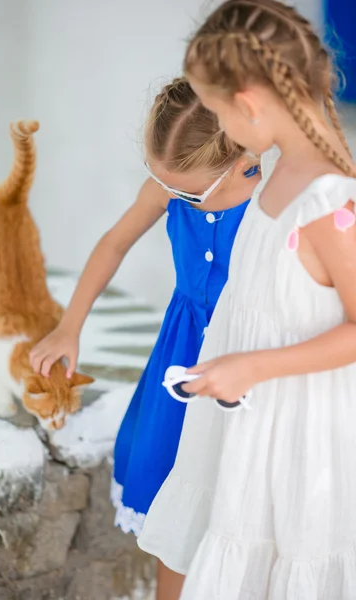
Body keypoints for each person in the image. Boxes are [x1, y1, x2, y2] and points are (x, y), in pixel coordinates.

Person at [137, 1, 356, 598]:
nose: (219, 126)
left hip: (296, 435)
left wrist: (253, 366)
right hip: (239, 424)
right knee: (193, 543)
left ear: (250, 103)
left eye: (214, 109)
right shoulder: (276, 175)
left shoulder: (331, 204)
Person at [29, 77, 260, 600]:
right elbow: (113, 244)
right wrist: (71, 325)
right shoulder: (171, 184)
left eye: (185, 191)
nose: (173, 196)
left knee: (239, 504)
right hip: (181, 358)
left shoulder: (270, 191)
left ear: (238, 156)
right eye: (166, 185)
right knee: (170, 505)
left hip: (246, 365)